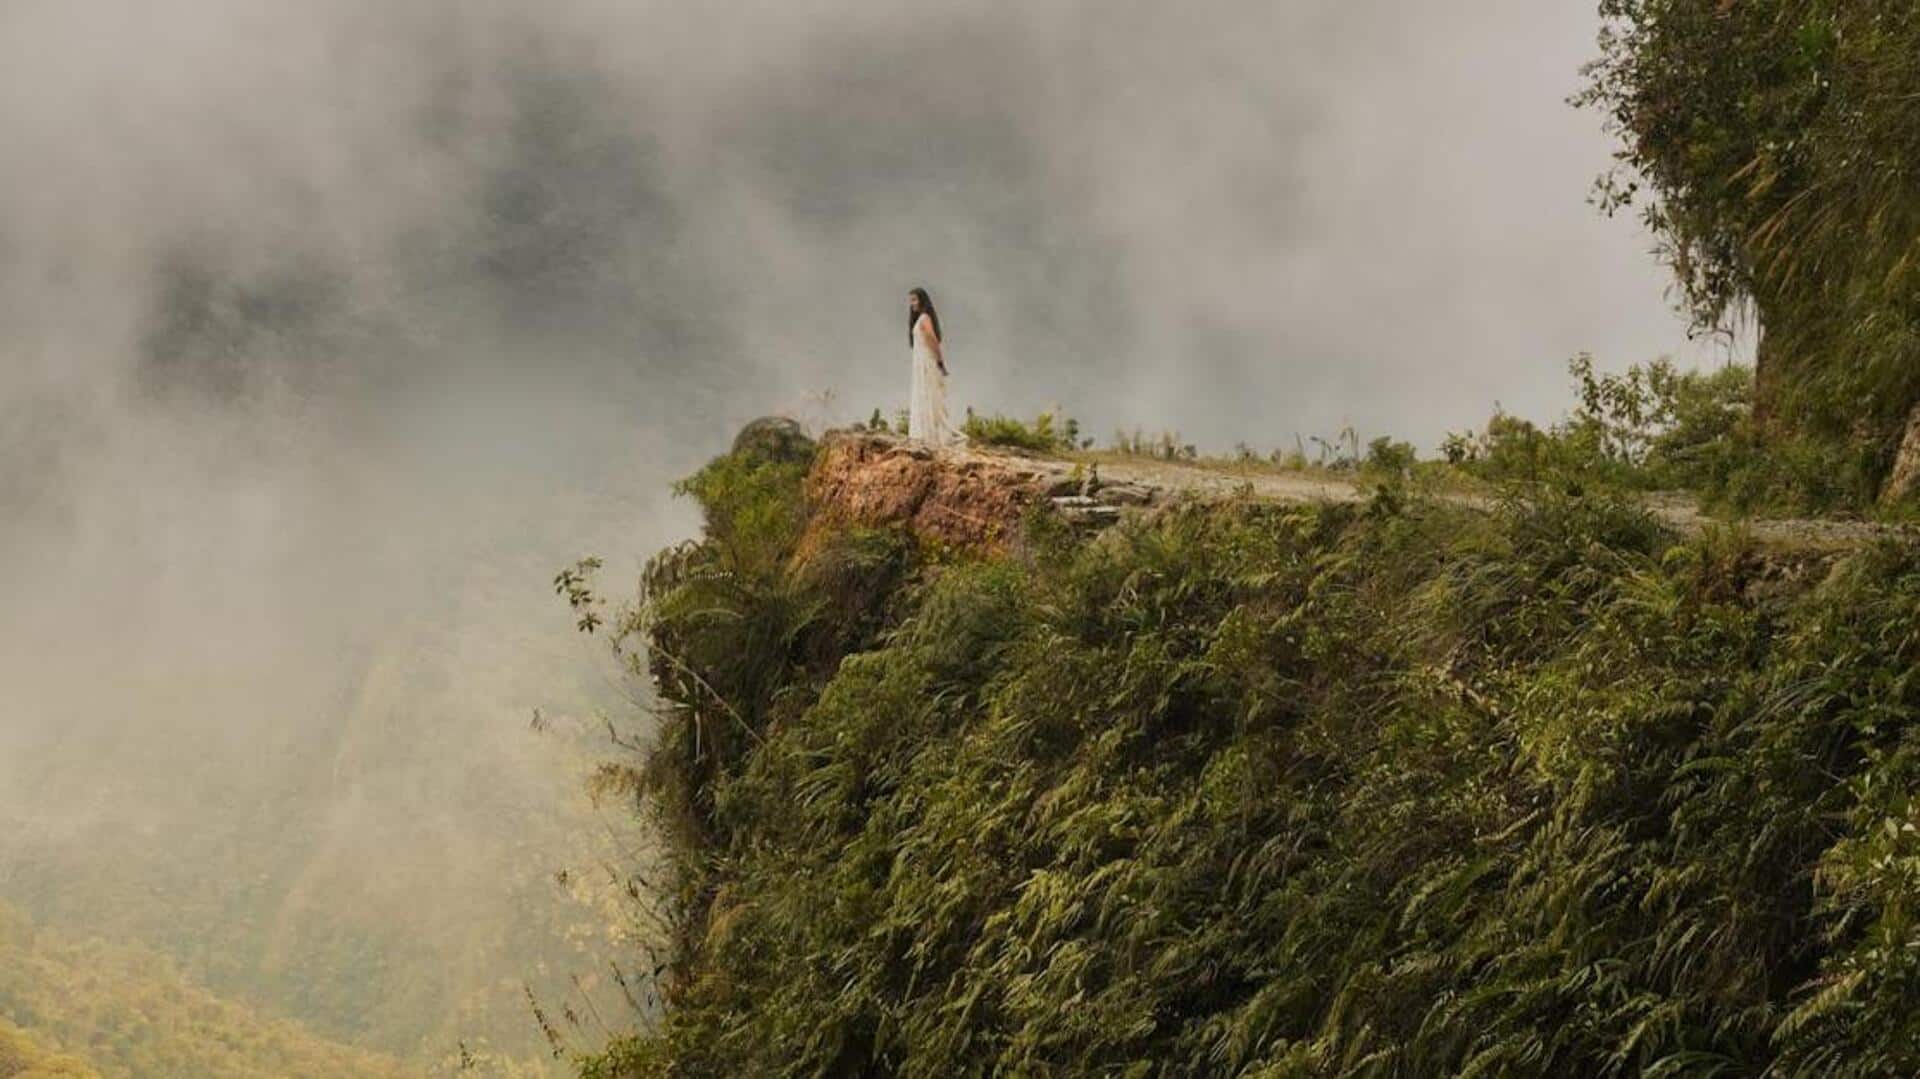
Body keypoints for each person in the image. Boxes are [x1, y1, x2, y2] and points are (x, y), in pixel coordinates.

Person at [907, 287, 962, 447]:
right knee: (924, 393)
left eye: (914, 300)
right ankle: (924, 432)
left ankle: (929, 433)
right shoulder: (920, 319)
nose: (912, 304)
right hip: (921, 362)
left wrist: (940, 362)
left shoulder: (924, 318)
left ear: (922, 300)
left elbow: (933, 340)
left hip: (926, 361)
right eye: (911, 301)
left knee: (929, 394)